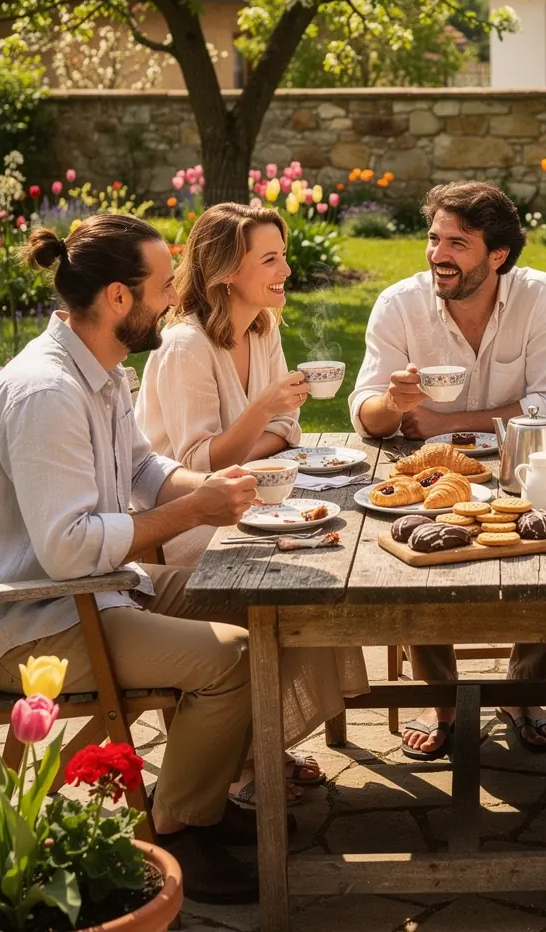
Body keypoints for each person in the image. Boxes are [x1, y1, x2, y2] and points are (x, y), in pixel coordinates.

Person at [0, 215, 272, 904]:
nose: (173, 298)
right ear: (119, 298)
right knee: (234, 656)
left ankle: (199, 798)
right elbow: (66, 548)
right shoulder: (48, 393)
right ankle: (173, 831)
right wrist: (192, 513)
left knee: (261, 599)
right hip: (30, 621)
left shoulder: (98, 372)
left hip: (92, 592)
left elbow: (144, 468)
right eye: (163, 285)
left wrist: (214, 490)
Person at [135, 202, 368, 801]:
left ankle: (266, 742)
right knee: (289, 579)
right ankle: (244, 760)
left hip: (254, 495)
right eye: (269, 258)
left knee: (324, 559)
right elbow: (193, 463)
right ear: (224, 273)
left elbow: (289, 432)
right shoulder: (186, 346)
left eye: (283, 254)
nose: (285, 268)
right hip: (185, 522)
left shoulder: (261, 326)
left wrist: (264, 427)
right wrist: (262, 414)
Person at [349, 181, 546, 759]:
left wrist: (441, 424)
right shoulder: (399, 305)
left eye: (458, 243)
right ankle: (442, 698)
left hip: (518, 465)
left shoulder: (540, 297)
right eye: (433, 239)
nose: (437, 255)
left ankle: (523, 691)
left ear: (498, 255)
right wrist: (396, 406)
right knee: (416, 543)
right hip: (425, 473)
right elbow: (366, 415)